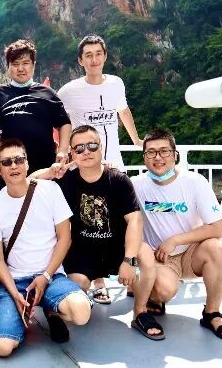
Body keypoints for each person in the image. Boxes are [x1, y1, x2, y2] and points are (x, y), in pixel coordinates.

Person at [31, 125, 162, 340]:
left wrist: (129, 260)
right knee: (77, 286)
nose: (86, 152)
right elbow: (28, 182)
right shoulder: (66, 180)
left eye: (92, 146)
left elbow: (135, 220)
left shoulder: (118, 180)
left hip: (116, 247)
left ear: (101, 147)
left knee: (145, 255)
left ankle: (140, 312)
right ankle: (53, 312)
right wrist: (50, 172)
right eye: (79, 148)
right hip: (82, 250)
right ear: (72, 153)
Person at [0, 139, 91, 357]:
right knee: (3, 348)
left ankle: (50, 309)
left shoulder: (50, 190)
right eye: (7, 162)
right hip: (16, 281)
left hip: (50, 276)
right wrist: (14, 293)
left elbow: (65, 238)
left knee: (81, 313)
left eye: (19, 159)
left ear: (27, 163)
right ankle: (20, 316)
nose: (14, 166)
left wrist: (46, 275)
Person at [57, 34, 143, 303]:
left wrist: (137, 141)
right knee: (89, 219)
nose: (94, 59)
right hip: (85, 166)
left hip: (114, 164)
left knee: (121, 219)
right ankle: (98, 281)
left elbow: (123, 111)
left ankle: (130, 271)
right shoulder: (68, 91)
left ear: (105, 56)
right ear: (80, 60)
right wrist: (63, 152)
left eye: (98, 54)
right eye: (88, 55)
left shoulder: (116, 83)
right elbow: (59, 123)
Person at [131, 128, 222, 341]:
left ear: (175, 155)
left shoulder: (194, 182)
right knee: (164, 291)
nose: (158, 157)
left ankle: (212, 313)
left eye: (164, 151)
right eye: (151, 152)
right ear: (144, 157)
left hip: (191, 253)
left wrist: (176, 240)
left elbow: (217, 228)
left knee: (219, 248)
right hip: (158, 257)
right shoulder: (136, 185)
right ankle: (149, 294)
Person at [0, 39, 71, 193]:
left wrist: (62, 150)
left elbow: (64, 123)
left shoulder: (47, 93)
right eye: (15, 64)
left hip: (45, 169)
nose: (21, 68)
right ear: (8, 66)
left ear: (33, 65)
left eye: (26, 63)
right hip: (10, 169)